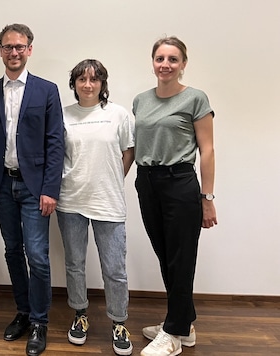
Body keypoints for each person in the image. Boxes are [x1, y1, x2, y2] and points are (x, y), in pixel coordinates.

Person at [0, 23, 64, 356]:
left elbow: (55, 142)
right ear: (1, 51)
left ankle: (41, 321)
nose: (14, 52)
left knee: (38, 257)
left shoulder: (47, 90)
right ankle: (24, 312)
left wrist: (50, 189)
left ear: (29, 50)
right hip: (1, 186)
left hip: (35, 187)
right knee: (13, 250)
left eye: (20, 46)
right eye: (8, 47)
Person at [133, 36, 217, 356]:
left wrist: (207, 198)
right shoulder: (141, 100)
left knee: (182, 259)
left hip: (180, 182)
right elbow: (136, 146)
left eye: (172, 59)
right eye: (160, 58)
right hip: (147, 182)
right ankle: (183, 323)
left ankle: (173, 332)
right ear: (153, 62)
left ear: (183, 64)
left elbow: (207, 151)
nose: (165, 64)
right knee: (167, 257)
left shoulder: (195, 98)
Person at [56, 59, 135, 356]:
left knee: (114, 268)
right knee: (74, 264)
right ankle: (80, 314)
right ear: (74, 83)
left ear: (102, 83)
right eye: (82, 79)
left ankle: (119, 321)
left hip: (108, 201)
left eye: (94, 79)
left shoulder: (118, 115)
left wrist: (112, 178)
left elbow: (129, 151)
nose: (88, 85)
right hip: (71, 200)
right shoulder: (63, 116)